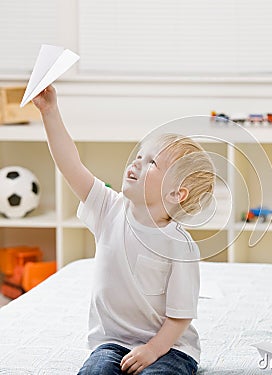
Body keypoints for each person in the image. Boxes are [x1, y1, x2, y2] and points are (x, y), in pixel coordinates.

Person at [32, 86, 215, 375]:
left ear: (175, 194)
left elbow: (181, 316)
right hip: (112, 342)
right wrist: (50, 112)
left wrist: (153, 350)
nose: (138, 162)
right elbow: (70, 165)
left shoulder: (180, 245)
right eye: (141, 155)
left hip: (170, 348)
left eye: (152, 162)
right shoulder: (108, 209)